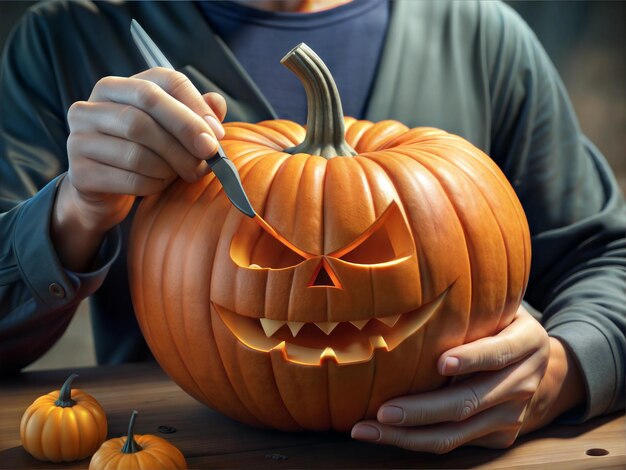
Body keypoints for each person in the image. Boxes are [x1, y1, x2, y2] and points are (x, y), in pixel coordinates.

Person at [0, 0, 624, 454]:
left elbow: (609, 255)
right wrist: (76, 210)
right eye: (274, 255)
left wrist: (564, 372)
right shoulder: (65, 39)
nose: (320, 280)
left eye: (371, 249)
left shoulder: (483, 36)